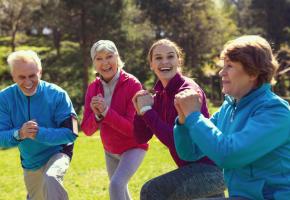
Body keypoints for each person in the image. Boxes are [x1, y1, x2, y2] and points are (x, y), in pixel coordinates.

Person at [174, 35, 290, 199]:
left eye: (229, 66)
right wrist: (183, 122)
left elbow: (228, 155)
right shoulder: (229, 107)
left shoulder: (275, 112)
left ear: (253, 73)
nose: (221, 72)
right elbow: (190, 152)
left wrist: (194, 116)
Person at [132, 38, 225, 200]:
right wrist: (140, 112)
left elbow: (175, 141)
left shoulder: (187, 92)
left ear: (178, 60)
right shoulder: (159, 95)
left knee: (151, 192)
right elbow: (141, 137)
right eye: (158, 58)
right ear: (151, 64)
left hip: (209, 170)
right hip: (196, 170)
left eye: (170, 56)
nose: (164, 61)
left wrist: (147, 110)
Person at [0, 50, 78, 200]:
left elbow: (70, 133)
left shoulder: (58, 95)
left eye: (32, 76)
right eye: (21, 77)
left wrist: (38, 133)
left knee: (51, 178)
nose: (28, 82)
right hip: (31, 161)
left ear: (40, 72)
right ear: (13, 76)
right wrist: (20, 134)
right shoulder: (4, 98)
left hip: (58, 151)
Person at [81, 40, 148, 200]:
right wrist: (97, 115)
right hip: (110, 150)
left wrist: (106, 112)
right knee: (121, 191)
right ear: (94, 63)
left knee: (116, 185)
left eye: (109, 56)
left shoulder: (132, 84)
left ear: (117, 57)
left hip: (134, 147)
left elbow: (132, 129)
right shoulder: (93, 88)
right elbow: (87, 130)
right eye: (99, 58)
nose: (105, 63)